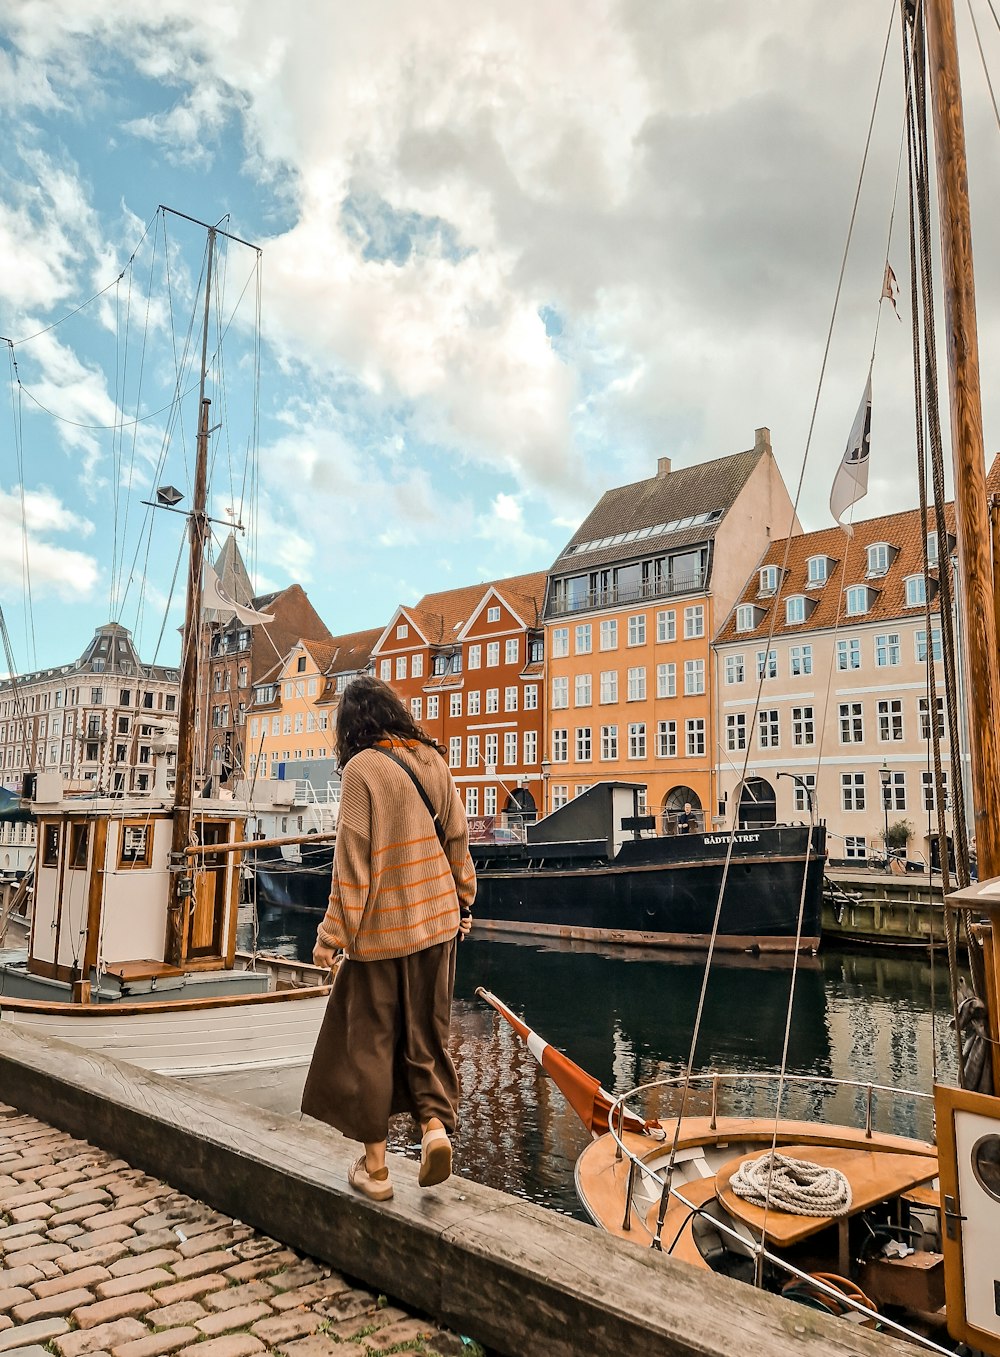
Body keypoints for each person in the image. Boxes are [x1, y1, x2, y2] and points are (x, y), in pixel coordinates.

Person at [301, 676, 476, 1201]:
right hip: (439, 923)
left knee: (370, 1043)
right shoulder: (432, 759)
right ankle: (434, 1130)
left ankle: (376, 1172)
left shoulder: (361, 771)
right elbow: (458, 842)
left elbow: (352, 868)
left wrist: (330, 937)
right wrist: (464, 901)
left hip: (381, 932)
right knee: (427, 1037)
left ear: (350, 727)